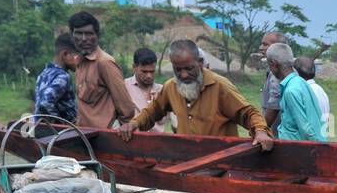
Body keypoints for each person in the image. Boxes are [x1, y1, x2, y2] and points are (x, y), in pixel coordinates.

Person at [117, 39, 272, 150]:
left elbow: (249, 113)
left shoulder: (220, 86)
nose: (183, 75)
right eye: (178, 70)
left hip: (220, 160)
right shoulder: (170, 87)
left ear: (199, 62)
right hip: (187, 158)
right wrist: (134, 124)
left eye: (189, 68)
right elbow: (153, 110)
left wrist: (260, 132)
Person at [68, 11, 136, 128]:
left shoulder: (105, 63)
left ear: (97, 35)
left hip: (103, 136)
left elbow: (126, 108)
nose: (84, 39)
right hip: (84, 135)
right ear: (72, 36)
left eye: (89, 33)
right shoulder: (79, 61)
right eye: (78, 33)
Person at [267, 43, 325, 141]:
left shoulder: (291, 91)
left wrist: (317, 150)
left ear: (273, 63)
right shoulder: (301, 82)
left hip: (297, 149)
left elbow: (305, 128)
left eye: (269, 65)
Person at [32, 33, 80, 130]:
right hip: (62, 134)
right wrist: (61, 125)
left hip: (40, 129)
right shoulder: (63, 77)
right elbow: (45, 103)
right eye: (77, 55)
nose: (80, 60)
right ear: (65, 54)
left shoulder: (43, 74)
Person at [124, 47, 171, 133]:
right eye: (144, 71)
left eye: (152, 71)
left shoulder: (163, 90)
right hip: (133, 142)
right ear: (134, 67)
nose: (149, 76)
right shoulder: (124, 87)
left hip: (159, 142)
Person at [294, 57, 331, 137]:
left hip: (311, 139)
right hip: (321, 136)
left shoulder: (305, 91)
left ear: (296, 72)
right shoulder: (320, 89)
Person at [258, 31, 286, 131]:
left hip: (278, 134)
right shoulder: (274, 70)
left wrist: (261, 130)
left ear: (277, 48)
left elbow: (274, 106)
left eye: (265, 44)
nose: (260, 48)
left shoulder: (278, 73)